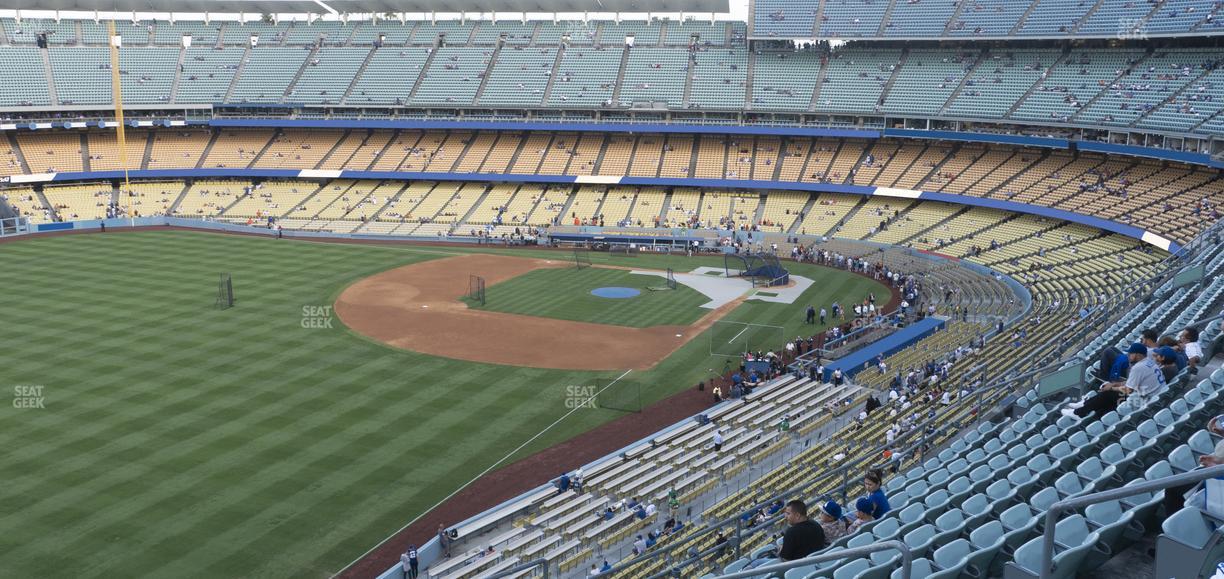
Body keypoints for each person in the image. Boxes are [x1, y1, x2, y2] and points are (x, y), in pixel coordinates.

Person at [1065, 343, 1166, 420]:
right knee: (1109, 393)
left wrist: (1112, 387)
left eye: (1130, 353)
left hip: (1144, 400)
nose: (1128, 355)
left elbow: (1128, 390)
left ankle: (1079, 412)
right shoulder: (1149, 362)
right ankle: (1085, 405)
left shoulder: (1138, 368)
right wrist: (1114, 384)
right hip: (1153, 397)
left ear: (1138, 354)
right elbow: (1132, 383)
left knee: (1108, 394)